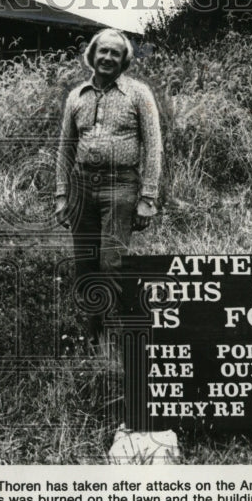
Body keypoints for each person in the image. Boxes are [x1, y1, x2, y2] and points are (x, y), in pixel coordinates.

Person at [54, 28, 163, 346]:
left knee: (111, 263)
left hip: (121, 187)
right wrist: (62, 195)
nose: (108, 57)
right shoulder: (76, 96)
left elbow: (153, 146)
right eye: (103, 51)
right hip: (82, 188)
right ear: (92, 55)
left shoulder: (139, 93)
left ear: (124, 60)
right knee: (85, 265)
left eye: (116, 53)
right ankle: (94, 336)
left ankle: (117, 338)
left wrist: (148, 198)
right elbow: (65, 148)